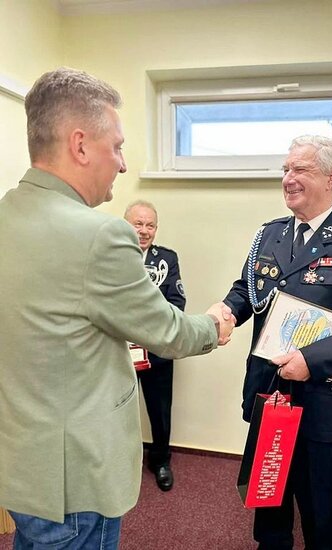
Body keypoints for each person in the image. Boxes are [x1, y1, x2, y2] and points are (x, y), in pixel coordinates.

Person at [0, 67, 234, 550]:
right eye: (118, 147)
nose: (123, 164)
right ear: (81, 145)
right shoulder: (100, 235)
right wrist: (215, 323)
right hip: (76, 477)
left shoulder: (7, 213)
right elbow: (169, 332)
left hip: (20, 463)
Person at [221, 135, 332, 549]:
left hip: (320, 399)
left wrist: (312, 360)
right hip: (269, 392)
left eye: (300, 169)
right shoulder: (270, 235)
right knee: (269, 500)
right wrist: (226, 310)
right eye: (285, 170)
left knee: (319, 508)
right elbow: (248, 289)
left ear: (331, 177)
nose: (288, 178)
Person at [124, 200, 185, 491]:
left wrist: (146, 329)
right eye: (138, 224)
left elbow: (176, 303)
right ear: (125, 225)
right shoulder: (111, 256)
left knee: (160, 409)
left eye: (150, 225)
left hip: (157, 349)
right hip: (118, 350)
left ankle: (160, 460)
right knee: (118, 409)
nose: (144, 231)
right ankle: (124, 462)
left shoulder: (167, 259)